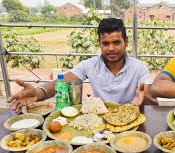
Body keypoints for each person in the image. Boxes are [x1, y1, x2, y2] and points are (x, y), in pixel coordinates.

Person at [7, 18, 156, 112]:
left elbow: (147, 95)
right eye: (105, 43)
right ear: (99, 44)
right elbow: (59, 83)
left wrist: (145, 98)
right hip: (99, 120)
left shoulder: (139, 67)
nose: (111, 48)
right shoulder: (89, 65)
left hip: (129, 118)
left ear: (126, 42)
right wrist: (38, 93)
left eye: (116, 42)